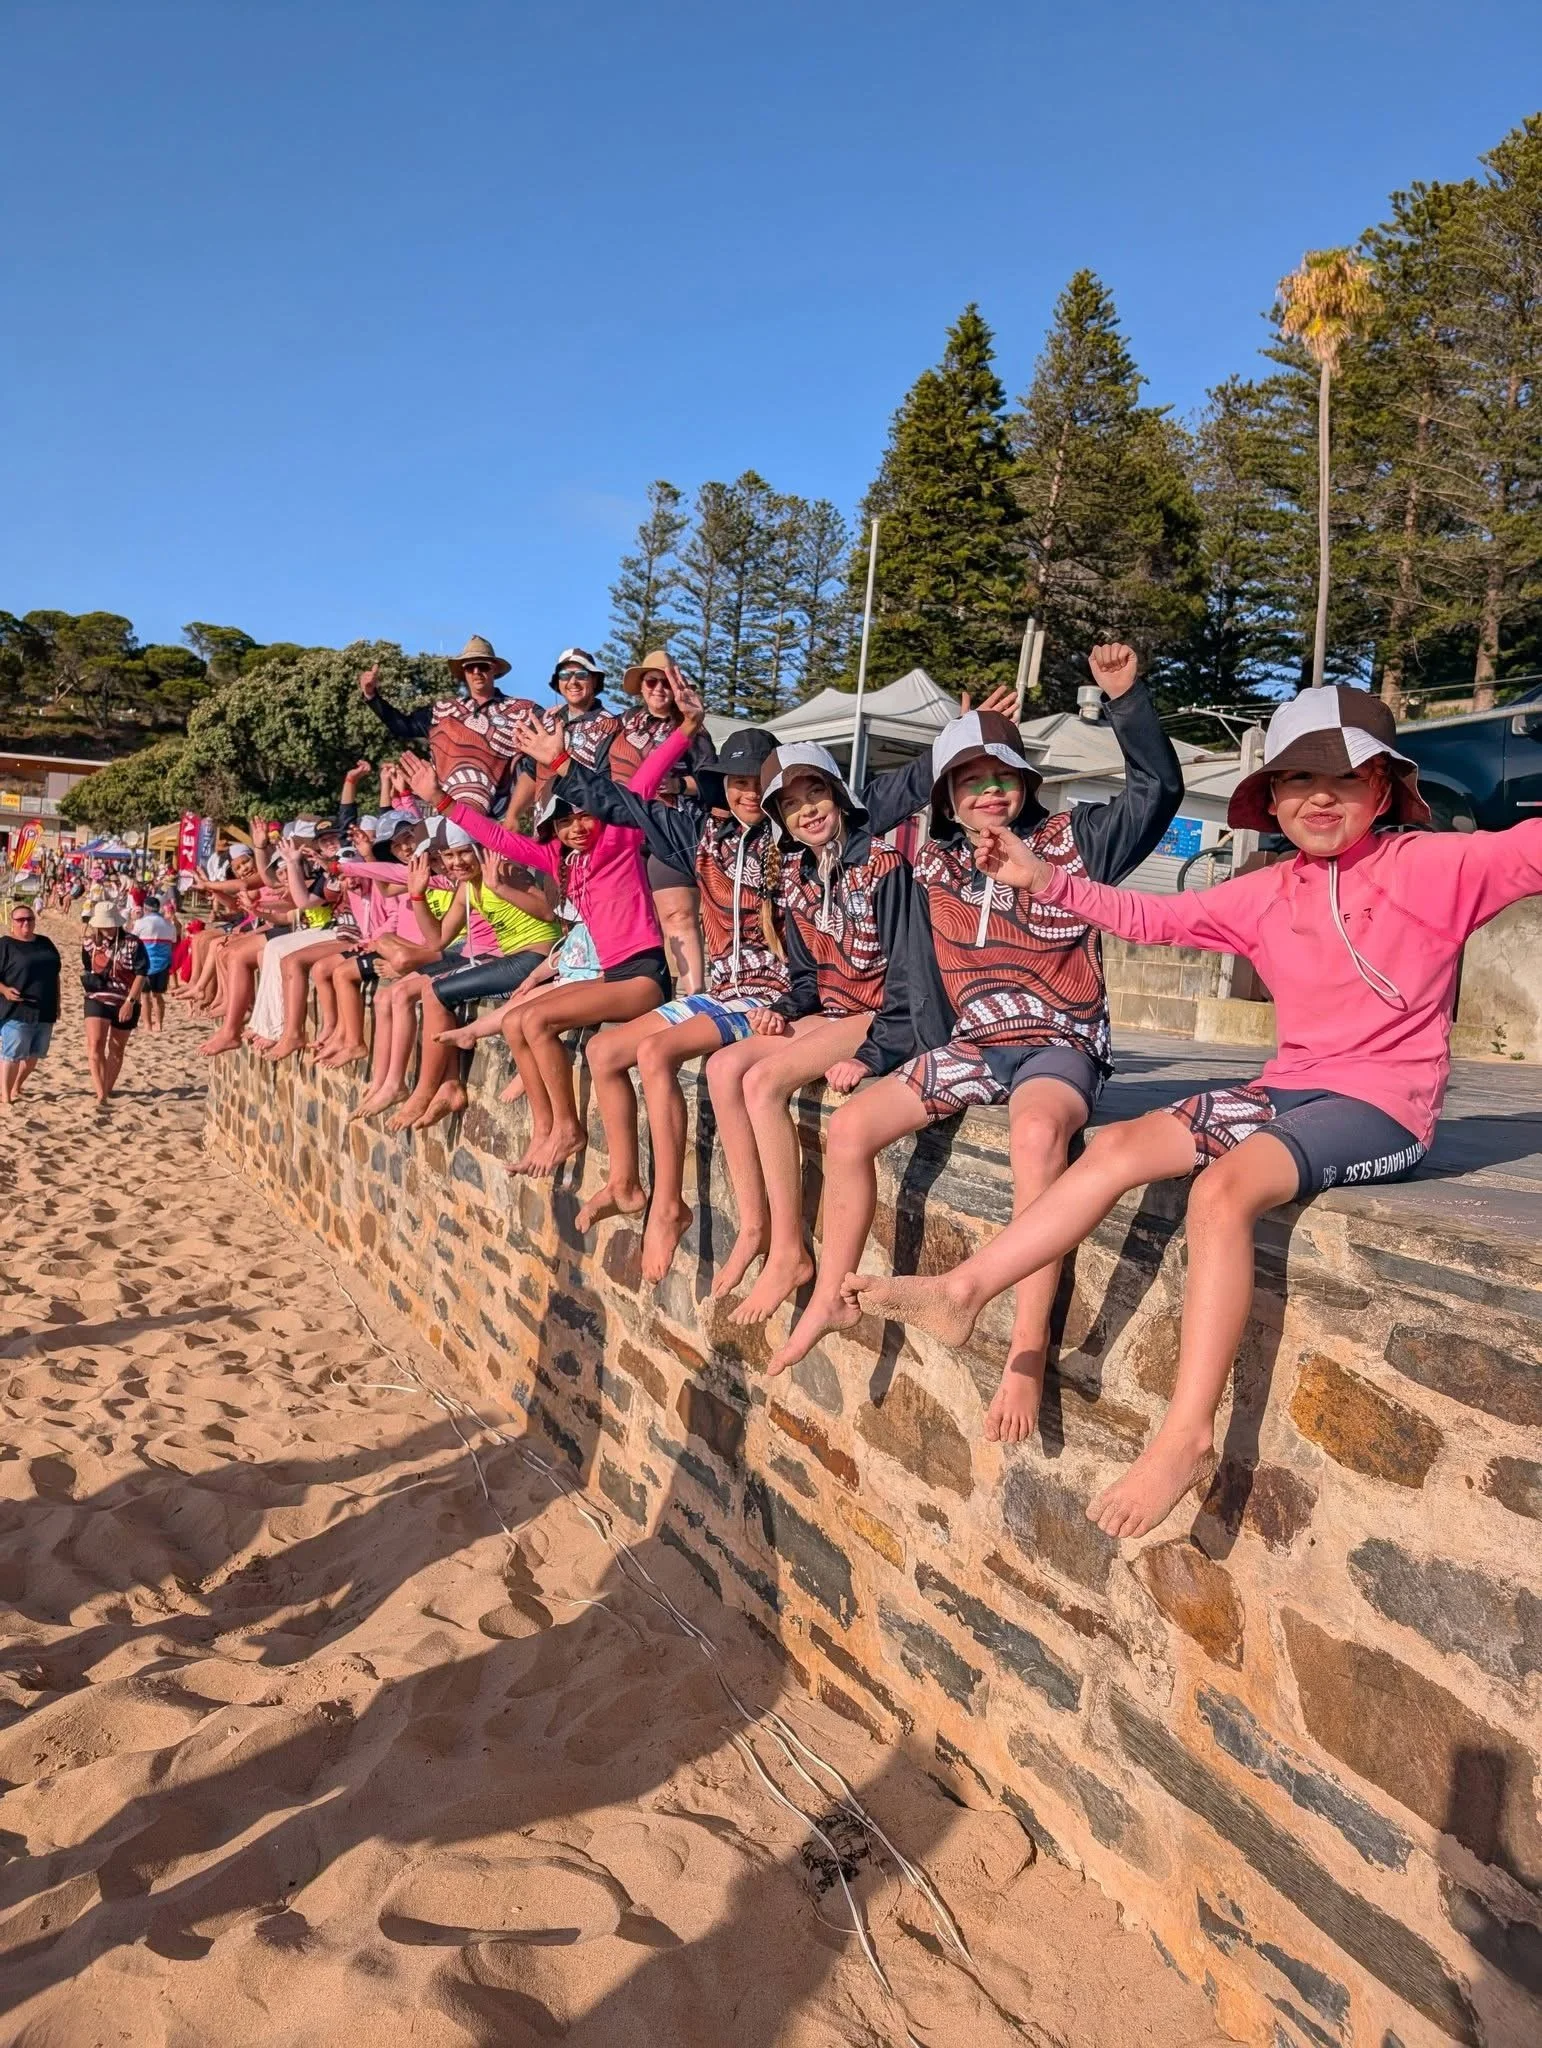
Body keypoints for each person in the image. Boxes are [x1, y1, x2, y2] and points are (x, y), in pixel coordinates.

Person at [848, 685, 1542, 1539]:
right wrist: (1040, 877)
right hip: (1289, 1087)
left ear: (1386, 790)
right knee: (1118, 1146)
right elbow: (1151, 915)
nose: (1317, 799)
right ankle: (965, 1290)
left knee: (1223, 1193)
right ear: (1272, 799)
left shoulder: (1440, 866)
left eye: (1344, 780)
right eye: (1295, 782)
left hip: (1383, 1108)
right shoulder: (1266, 888)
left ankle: (1185, 1438)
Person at [772, 644, 1183, 1398]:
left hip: (1058, 1043)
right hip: (974, 1047)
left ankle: (1026, 1351)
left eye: (1000, 775)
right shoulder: (935, 864)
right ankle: (833, 1295)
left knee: (1035, 1135)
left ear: (1024, 783)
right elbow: (866, 821)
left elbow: (1156, 792)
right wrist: (883, 1052)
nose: (987, 791)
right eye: (968, 780)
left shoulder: (1075, 843)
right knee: (850, 1128)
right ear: (948, 796)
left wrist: (1126, 700)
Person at [398, 704, 691, 1177]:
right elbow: (494, 835)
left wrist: (686, 731)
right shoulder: (560, 860)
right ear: (552, 828)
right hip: (608, 975)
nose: (578, 826)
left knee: (534, 1018)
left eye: (584, 816)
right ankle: (545, 1127)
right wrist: (444, 801)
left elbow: (643, 783)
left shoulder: (617, 838)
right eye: (565, 820)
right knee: (515, 1021)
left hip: (643, 975)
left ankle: (568, 1130)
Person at [705, 743, 921, 1326]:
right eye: (791, 805)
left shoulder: (884, 865)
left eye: (816, 793)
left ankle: (790, 1253)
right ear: (780, 820)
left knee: (765, 1081)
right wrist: (782, 1009)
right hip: (831, 1010)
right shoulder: (798, 875)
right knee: (723, 1067)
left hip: (879, 1015)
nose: (807, 811)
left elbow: (909, 975)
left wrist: (876, 1053)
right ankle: (756, 1225)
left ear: (839, 794)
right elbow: (807, 976)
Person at [611, 649, 720, 996]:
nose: (659, 688)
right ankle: (642, 990)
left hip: (671, 830)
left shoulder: (693, 729)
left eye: (665, 682)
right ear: (641, 687)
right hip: (623, 832)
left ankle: (692, 994)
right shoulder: (621, 724)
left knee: (679, 917)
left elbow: (713, 783)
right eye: (651, 681)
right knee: (635, 919)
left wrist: (677, 785)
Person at [359, 636, 538, 818]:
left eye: (483, 666)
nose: (476, 671)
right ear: (463, 672)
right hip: (449, 815)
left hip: (498, 820)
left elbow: (554, 737)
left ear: (494, 669)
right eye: (470, 667)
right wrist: (372, 696)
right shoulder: (442, 710)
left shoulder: (522, 711)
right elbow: (402, 726)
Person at [81, 903, 149, 1104]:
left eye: (109, 925)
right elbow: (88, 967)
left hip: (125, 997)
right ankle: (101, 1093)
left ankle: (107, 1088)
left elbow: (141, 974)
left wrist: (130, 1001)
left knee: (117, 1048)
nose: (107, 929)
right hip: (97, 997)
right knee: (95, 1044)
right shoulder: (90, 943)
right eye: (103, 925)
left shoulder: (133, 943)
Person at [0, 899, 62, 1104]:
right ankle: (7, 1096)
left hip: (45, 1007)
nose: (25, 923)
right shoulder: (5, 944)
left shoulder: (45, 943)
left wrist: (58, 1002)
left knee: (34, 1054)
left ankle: (17, 1086)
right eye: (20, 920)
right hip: (17, 1008)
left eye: (30, 919)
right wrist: (4, 990)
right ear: (12, 923)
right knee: (13, 1054)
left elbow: (55, 975)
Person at [131, 898, 179, 1033]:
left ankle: (148, 1025)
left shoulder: (141, 923)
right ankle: (159, 1024)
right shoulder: (169, 924)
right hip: (163, 964)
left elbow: (132, 939)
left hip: (145, 964)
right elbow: (173, 941)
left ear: (145, 909)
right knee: (158, 996)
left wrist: (133, 920)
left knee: (145, 996)